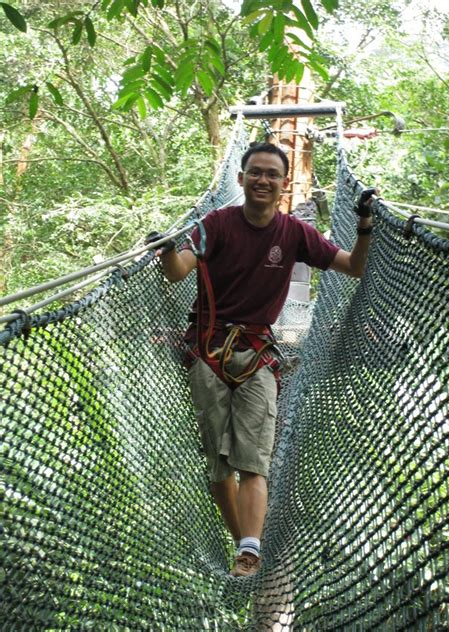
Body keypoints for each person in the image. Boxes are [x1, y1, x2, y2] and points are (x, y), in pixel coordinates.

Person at [151, 143, 375, 577]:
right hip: (208, 350)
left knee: (254, 460)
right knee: (219, 467)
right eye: (255, 172)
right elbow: (179, 270)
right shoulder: (216, 223)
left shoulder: (294, 233)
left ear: (284, 184)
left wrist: (364, 225)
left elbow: (354, 267)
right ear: (240, 179)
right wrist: (165, 250)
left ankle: (249, 551)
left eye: (272, 174)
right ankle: (243, 544)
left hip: (257, 353)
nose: (263, 180)